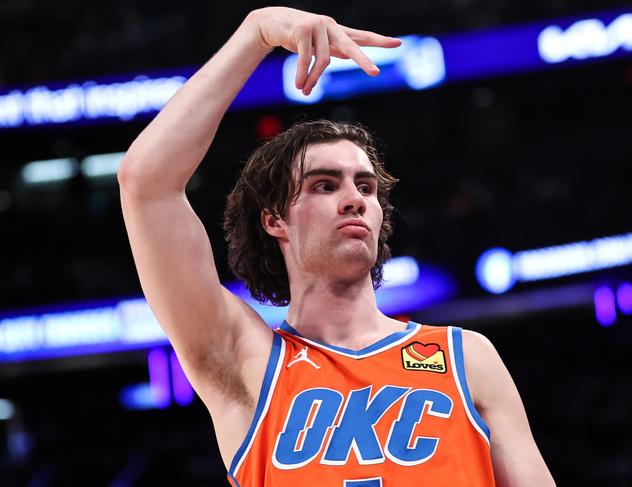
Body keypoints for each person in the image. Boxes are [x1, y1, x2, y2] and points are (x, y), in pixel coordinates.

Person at [118, 7, 555, 486]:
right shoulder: (249, 364)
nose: (355, 199)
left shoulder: (465, 358)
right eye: (325, 185)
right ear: (274, 219)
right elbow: (146, 183)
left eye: (366, 187)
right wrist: (256, 32)